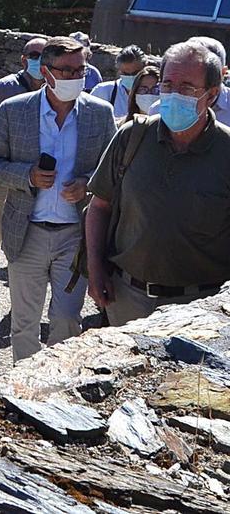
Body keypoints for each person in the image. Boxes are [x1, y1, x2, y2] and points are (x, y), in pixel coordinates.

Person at [0, 36, 117, 361]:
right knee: (24, 323)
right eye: (67, 70)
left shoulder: (100, 113)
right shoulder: (15, 110)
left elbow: (114, 170)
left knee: (67, 319)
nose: (75, 77)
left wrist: (87, 184)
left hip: (76, 236)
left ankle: (56, 395)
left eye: (81, 70)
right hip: (26, 232)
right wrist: (27, 176)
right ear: (46, 72)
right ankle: (25, 396)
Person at [87, 41, 230, 327]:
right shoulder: (132, 137)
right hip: (127, 297)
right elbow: (99, 206)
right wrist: (95, 269)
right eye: (167, 85)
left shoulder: (226, 150)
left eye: (187, 87)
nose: (173, 94)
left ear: (212, 94)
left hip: (199, 308)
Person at [0, 38, 46, 255]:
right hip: (4, 178)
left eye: (45, 54)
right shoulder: (4, 89)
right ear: (24, 60)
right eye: (35, 55)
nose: (40, 60)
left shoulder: (55, 93)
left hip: (39, 178)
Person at [91, 45, 146, 120]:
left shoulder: (154, 93)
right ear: (118, 70)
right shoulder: (103, 91)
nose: (131, 77)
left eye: (135, 73)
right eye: (126, 74)